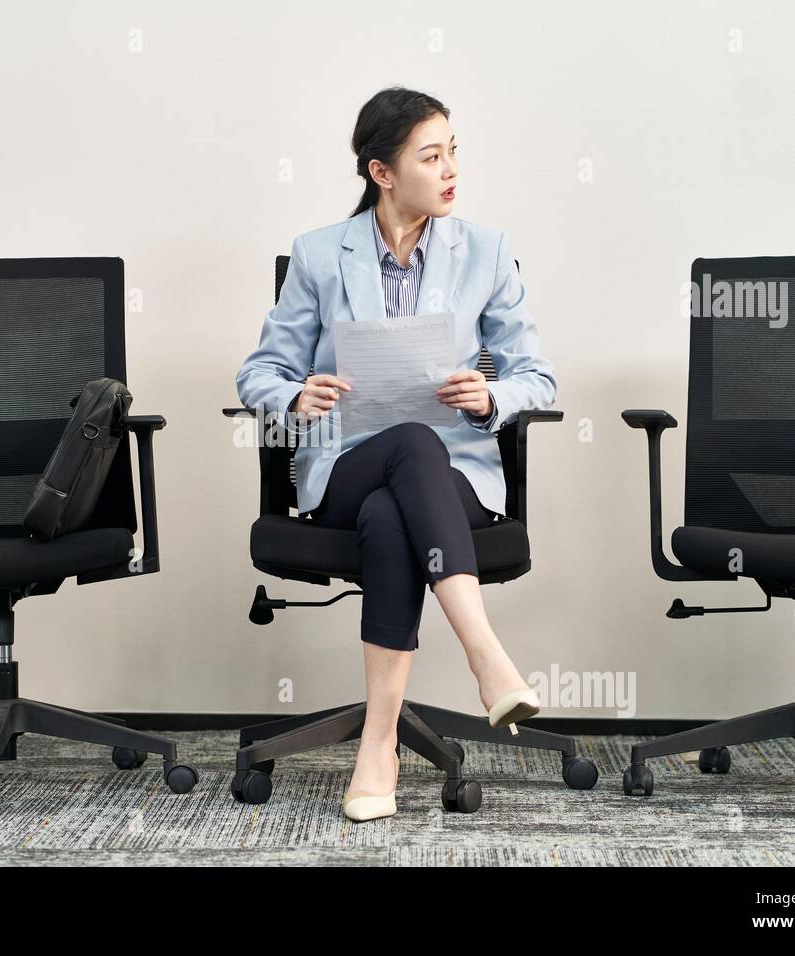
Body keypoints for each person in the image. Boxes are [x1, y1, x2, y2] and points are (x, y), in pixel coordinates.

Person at [235, 87, 556, 822]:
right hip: (344, 464)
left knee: (392, 512)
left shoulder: (486, 251)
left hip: (456, 476)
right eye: (431, 156)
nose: (450, 171)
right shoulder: (321, 255)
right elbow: (258, 372)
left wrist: (491, 396)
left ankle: (377, 743)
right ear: (382, 172)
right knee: (401, 454)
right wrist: (294, 398)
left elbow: (537, 375)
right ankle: (486, 656)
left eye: (454, 153)